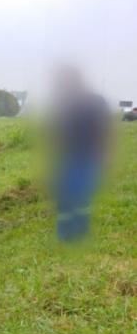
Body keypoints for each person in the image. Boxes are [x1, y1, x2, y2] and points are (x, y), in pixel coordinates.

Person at [50, 66, 112, 242]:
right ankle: (64, 235)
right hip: (68, 157)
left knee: (80, 196)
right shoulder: (64, 103)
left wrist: (106, 155)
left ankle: (79, 234)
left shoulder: (96, 101)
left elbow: (105, 130)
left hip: (89, 157)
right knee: (64, 196)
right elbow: (58, 131)